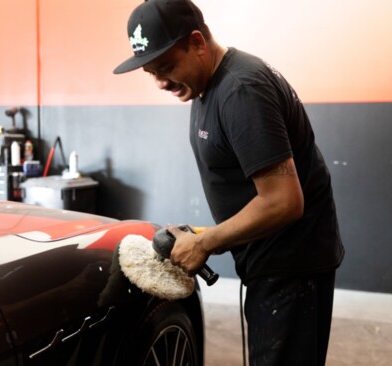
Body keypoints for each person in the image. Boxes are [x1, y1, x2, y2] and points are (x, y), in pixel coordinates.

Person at [113, 1, 345, 365]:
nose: (159, 82)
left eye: (167, 67)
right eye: (151, 72)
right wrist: (206, 233)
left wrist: (206, 242)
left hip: (291, 266)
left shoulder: (241, 90)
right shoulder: (205, 86)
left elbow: (284, 201)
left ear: (197, 43)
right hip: (269, 258)